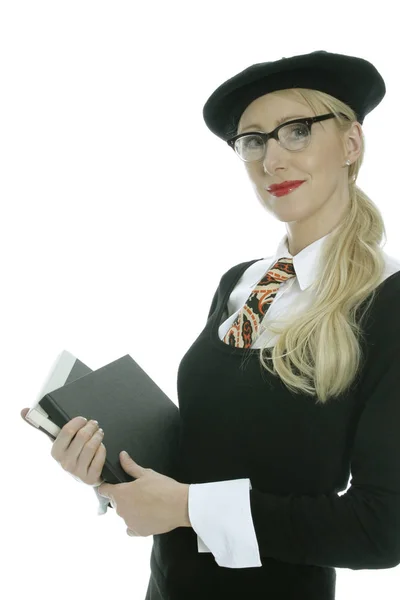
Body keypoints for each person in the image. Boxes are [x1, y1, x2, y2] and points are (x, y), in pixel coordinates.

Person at [142, 50, 400, 599]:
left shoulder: (390, 299)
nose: (272, 161)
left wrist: (187, 508)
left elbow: (383, 529)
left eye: (297, 131)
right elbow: (214, 443)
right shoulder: (244, 282)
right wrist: (112, 464)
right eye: (254, 141)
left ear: (351, 144)